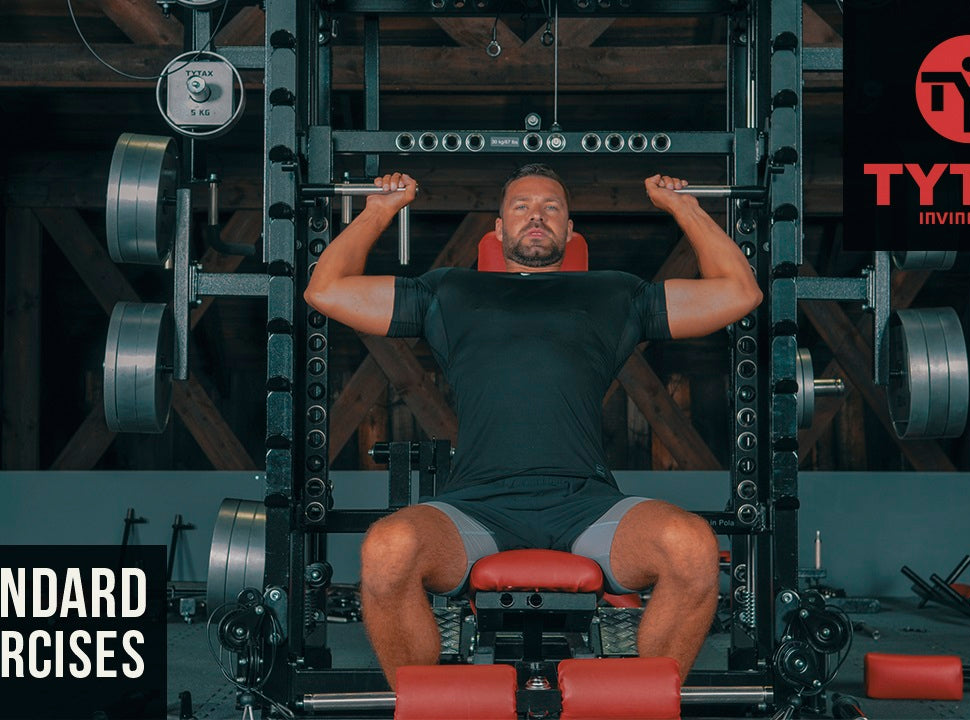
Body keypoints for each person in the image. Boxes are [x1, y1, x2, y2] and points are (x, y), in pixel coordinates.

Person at [303, 164, 763, 689]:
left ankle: (641, 703)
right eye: (521, 207)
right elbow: (326, 289)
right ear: (497, 230)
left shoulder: (614, 295)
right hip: (475, 504)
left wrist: (686, 208)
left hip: (585, 504)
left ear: (571, 230)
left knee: (691, 546)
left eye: (551, 207)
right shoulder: (449, 292)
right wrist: (379, 211)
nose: (536, 216)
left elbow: (738, 293)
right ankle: (432, 707)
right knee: (386, 550)